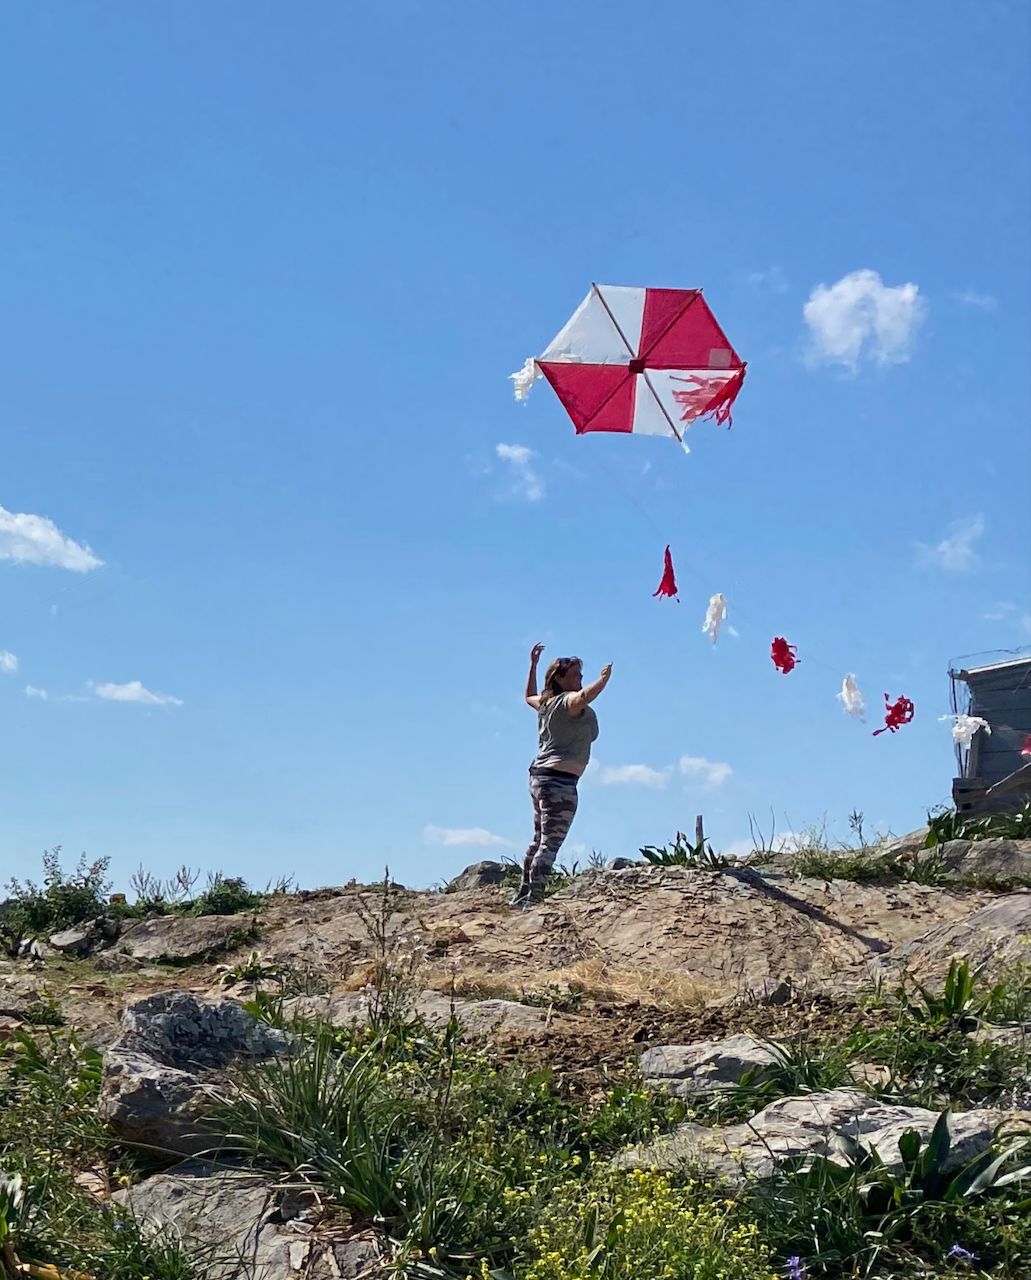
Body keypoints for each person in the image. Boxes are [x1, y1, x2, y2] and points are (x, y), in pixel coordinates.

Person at [513, 644, 612, 908]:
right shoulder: (568, 702)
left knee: (538, 840)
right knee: (549, 845)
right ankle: (533, 900)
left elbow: (528, 696)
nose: (579, 680)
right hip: (559, 782)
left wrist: (533, 666)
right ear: (560, 678)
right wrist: (602, 681)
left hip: (541, 778)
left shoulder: (546, 703)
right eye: (576, 675)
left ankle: (523, 893)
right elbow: (583, 697)